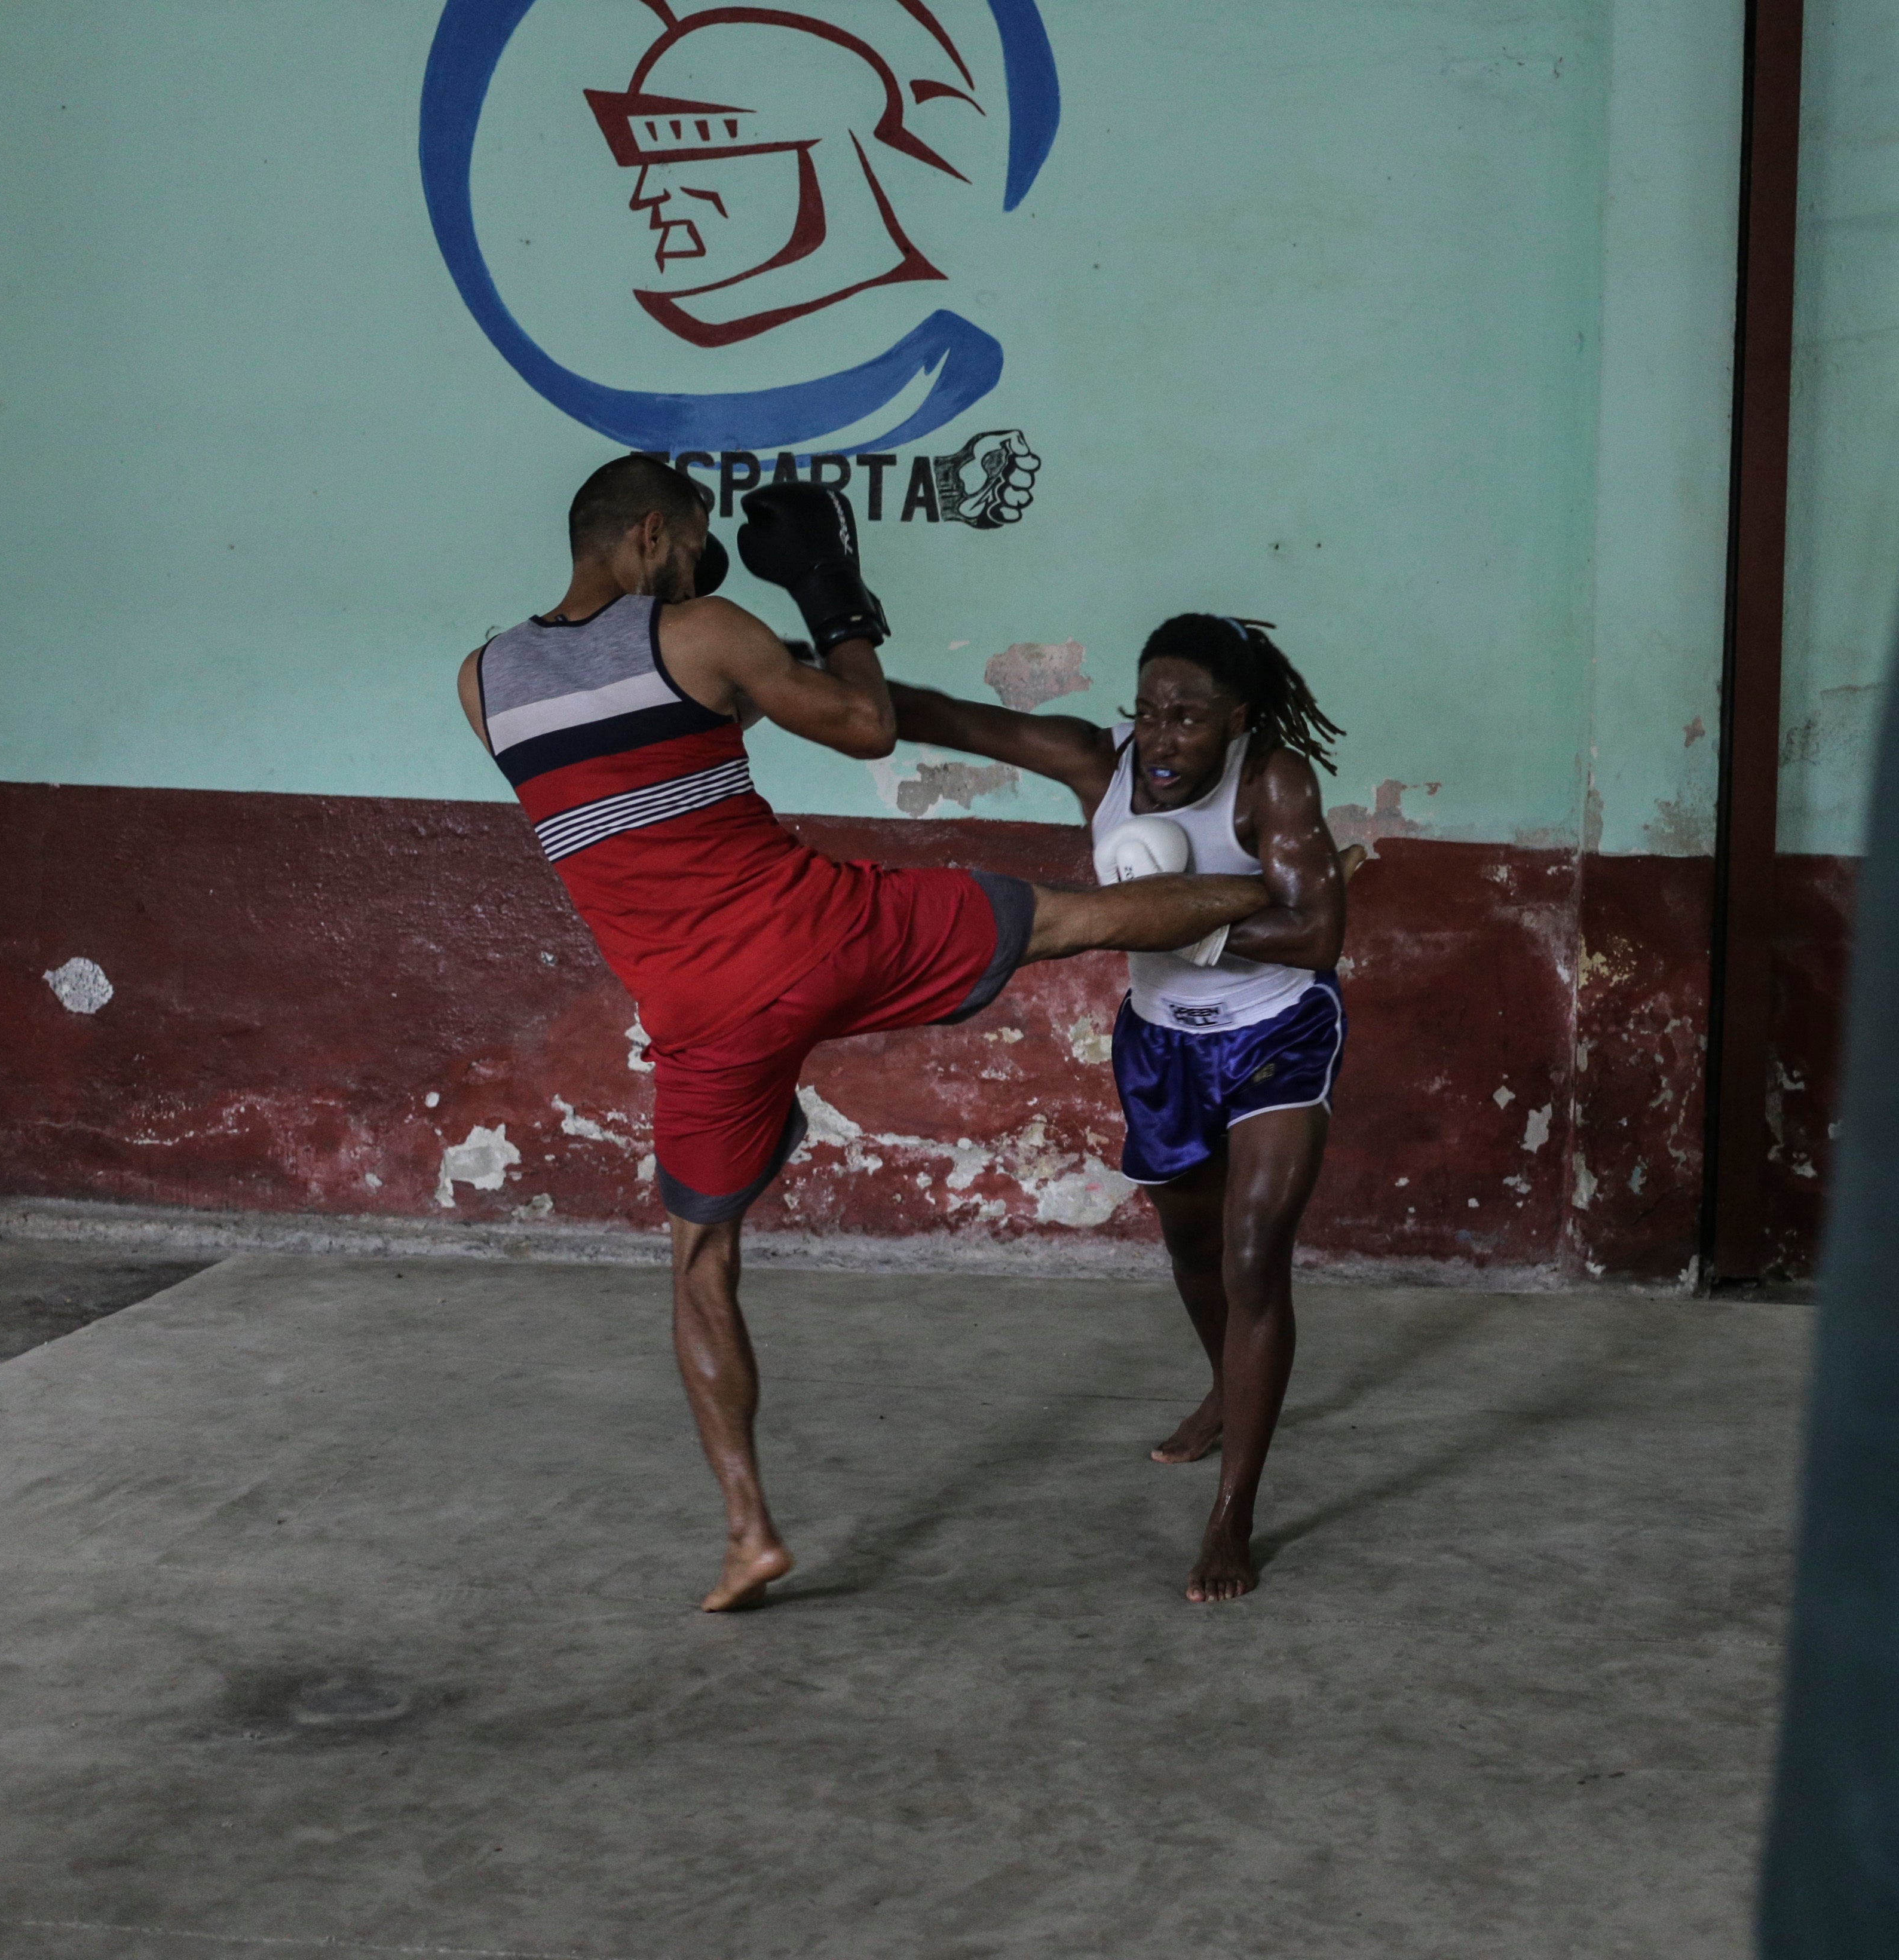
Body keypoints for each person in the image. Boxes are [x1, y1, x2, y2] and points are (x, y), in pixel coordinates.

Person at [454, 454, 1272, 1612]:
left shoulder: (482, 677)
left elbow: (619, 784)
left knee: (699, 1261)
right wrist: (832, 605)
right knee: (1071, 918)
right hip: (816, 934)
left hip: (692, 1009)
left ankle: (747, 1533)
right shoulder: (696, 628)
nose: (699, 561)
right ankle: (1291, 894)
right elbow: (865, 727)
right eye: (691, 541)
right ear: (650, 533)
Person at [886, 614, 1354, 1601]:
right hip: (1160, 1042)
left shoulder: (1272, 780)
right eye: (1147, 711)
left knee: (1253, 1250)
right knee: (1190, 1250)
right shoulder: (1097, 767)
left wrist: (1189, 919)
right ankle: (1227, 1388)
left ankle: (1232, 1518)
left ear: (1238, 717)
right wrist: (779, 675)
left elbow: (1317, 935)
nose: (1164, 736)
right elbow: (939, 715)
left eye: (1188, 717)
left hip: (1276, 1033)